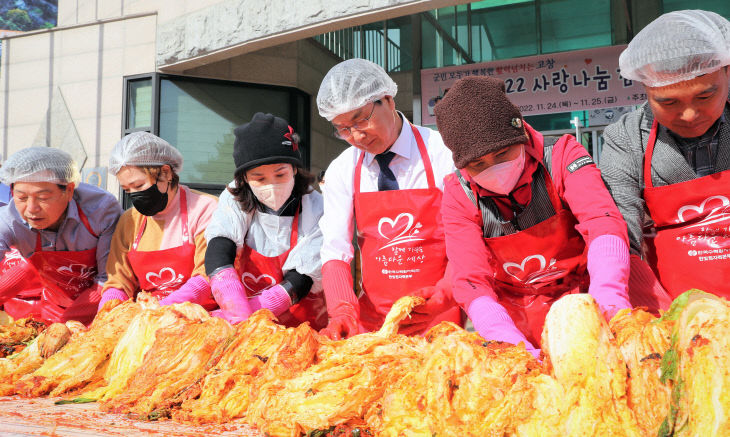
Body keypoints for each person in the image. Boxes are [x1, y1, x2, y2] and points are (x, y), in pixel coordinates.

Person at [437, 76, 643, 355]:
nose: (494, 167)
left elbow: (601, 220)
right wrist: (503, 337)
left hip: (585, 299)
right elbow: (469, 277)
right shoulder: (458, 193)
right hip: (518, 318)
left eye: (502, 153)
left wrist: (608, 295)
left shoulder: (561, 155)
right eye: (478, 164)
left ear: (519, 134)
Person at [317, 58, 461, 339]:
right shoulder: (343, 169)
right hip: (374, 325)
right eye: (343, 129)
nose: (356, 135)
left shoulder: (443, 154)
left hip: (439, 317)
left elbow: (467, 237)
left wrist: (444, 296)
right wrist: (342, 310)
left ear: (388, 99)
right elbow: (335, 249)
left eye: (361, 119)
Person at [601, 10, 730, 299]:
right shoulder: (626, 139)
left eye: (704, 96)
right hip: (672, 314)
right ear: (646, 89)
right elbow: (621, 233)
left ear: (728, 71)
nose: (689, 114)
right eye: (668, 101)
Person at [204, 112, 327, 329]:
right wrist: (234, 303)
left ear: (295, 169)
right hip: (243, 319)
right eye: (259, 178)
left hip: (303, 325)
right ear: (244, 178)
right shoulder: (234, 198)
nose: (271, 185)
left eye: (280, 175)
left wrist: (258, 309)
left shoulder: (315, 206)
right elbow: (219, 246)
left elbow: (304, 275)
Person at [0, 147, 121, 324]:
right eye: (22, 197)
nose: (31, 209)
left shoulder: (101, 211)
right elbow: (29, 267)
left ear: (69, 190)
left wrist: (67, 324)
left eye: (43, 197)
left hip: (102, 309)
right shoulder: (9, 219)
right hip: (53, 309)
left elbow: (109, 279)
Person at [97, 132, 218, 310]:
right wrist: (108, 311)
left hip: (201, 317)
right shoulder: (129, 221)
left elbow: (207, 277)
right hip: (147, 318)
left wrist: (158, 310)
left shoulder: (205, 209)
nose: (134, 195)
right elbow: (119, 283)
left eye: (139, 186)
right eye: (127, 190)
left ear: (166, 172)